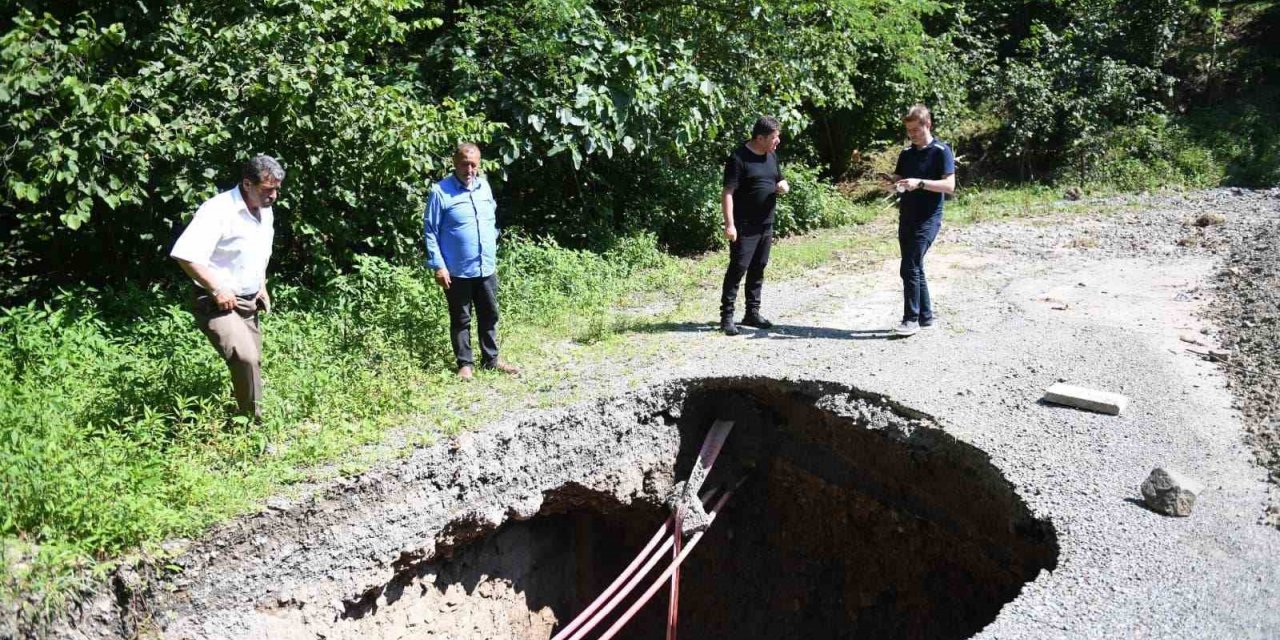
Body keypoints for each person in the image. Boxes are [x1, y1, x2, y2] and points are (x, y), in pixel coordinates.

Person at [171, 155, 284, 421]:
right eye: (268, 189)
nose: (274, 196)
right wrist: (217, 289)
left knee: (252, 361)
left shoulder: (265, 211)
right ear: (247, 184)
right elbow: (185, 254)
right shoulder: (218, 210)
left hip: (248, 301)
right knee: (245, 358)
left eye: (277, 189)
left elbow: (259, 252)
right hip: (216, 301)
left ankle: (243, 419)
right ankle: (254, 429)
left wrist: (262, 285)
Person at [424, 143, 519, 379]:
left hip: (485, 266)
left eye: (474, 164)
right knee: (461, 318)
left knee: (489, 314)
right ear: (455, 163)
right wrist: (439, 265)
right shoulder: (440, 192)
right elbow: (431, 231)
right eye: (465, 164)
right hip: (457, 270)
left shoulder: (484, 187)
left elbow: (491, 219)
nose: (470, 169)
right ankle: (465, 364)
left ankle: (491, 359)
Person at [887, 104, 956, 337]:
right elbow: (899, 178)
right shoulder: (906, 154)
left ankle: (910, 320)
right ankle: (926, 317)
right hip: (906, 216)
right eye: (909, 131)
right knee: (916, 266)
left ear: (928, 125)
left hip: (928, 219)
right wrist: (892, 182)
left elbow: (950, 186)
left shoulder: (941, 151)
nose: (912, 135)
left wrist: (921, 183)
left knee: (909, 267)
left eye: (916, 130)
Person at [720, 116, 790, 336]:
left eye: (777, 137)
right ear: (760, 138)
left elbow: (779, 178)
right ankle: (726, 317)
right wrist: (730, 225)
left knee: (759, 267)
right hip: (744, 225)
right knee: (738, 268)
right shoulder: (738, 158)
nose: (777, 141)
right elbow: (727, 193)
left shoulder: (771, 155)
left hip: (766, 223)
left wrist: (783, 185)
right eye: (774, 137)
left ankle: (752, 312)